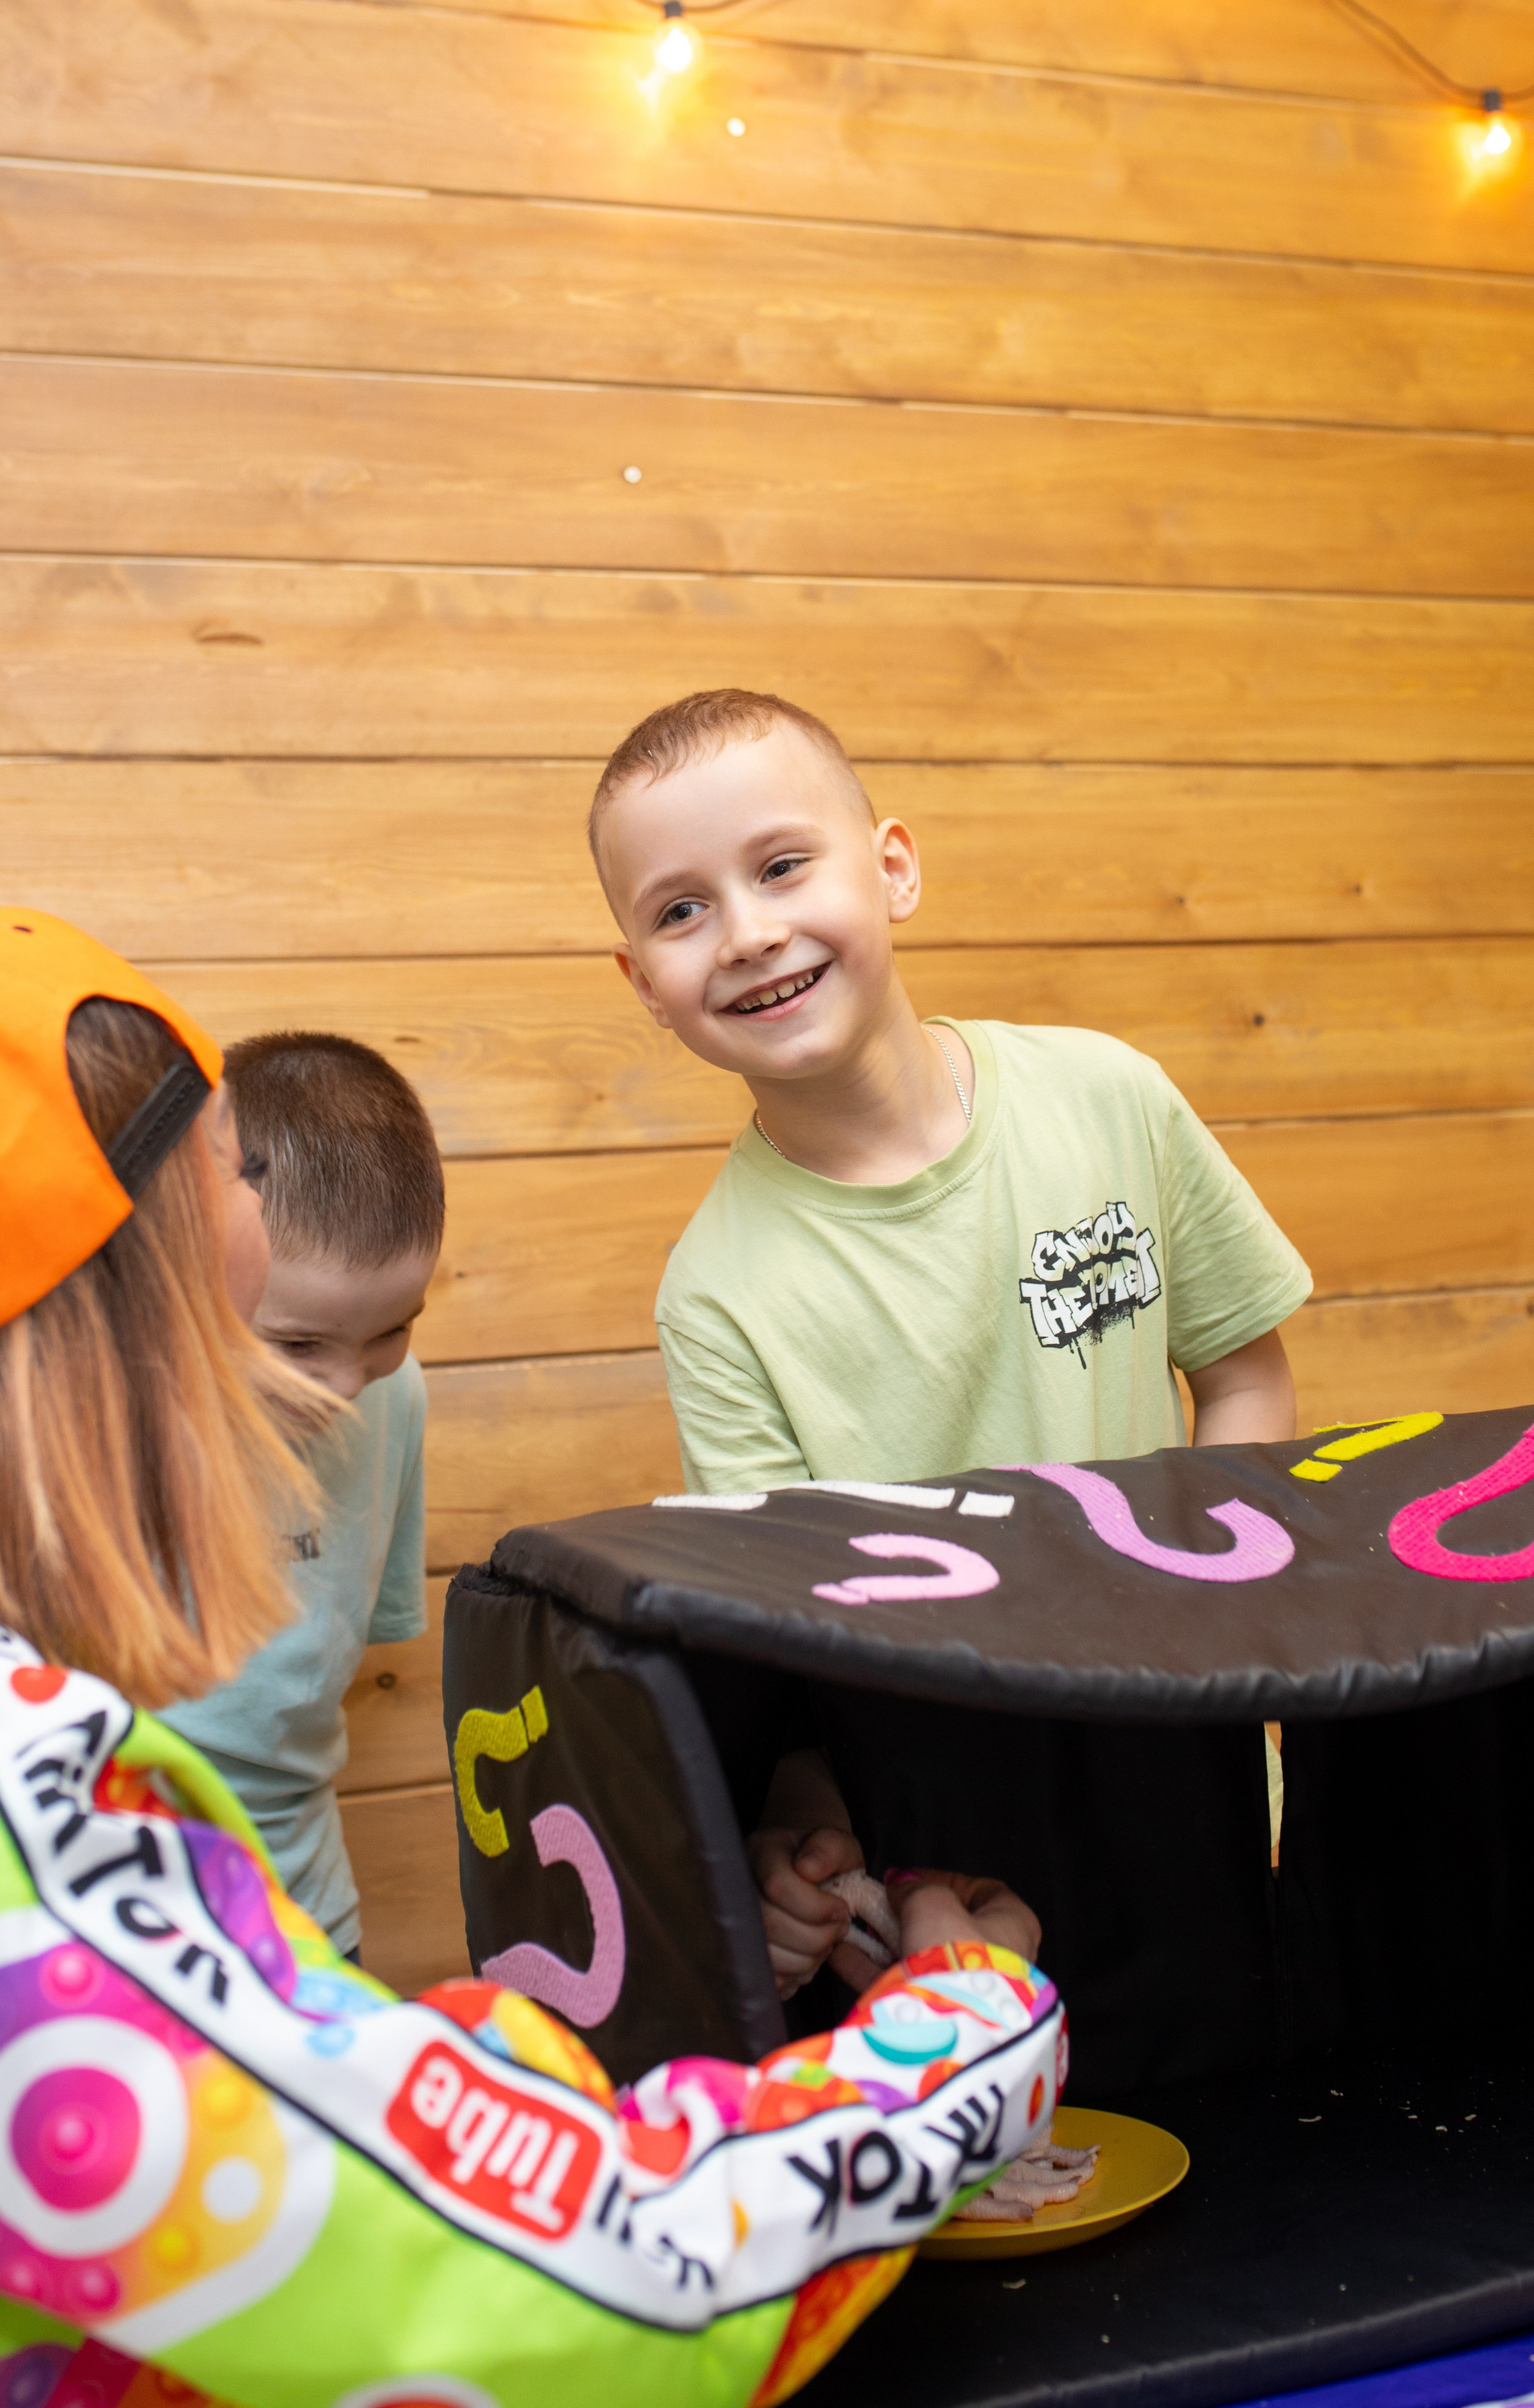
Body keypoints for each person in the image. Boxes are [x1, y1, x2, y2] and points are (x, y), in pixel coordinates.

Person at [0, 908, 1064, 2408]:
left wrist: (471, 2056)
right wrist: (972, 2014)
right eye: (226, 1331)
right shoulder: (37, 1855)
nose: (304, 1408)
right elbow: (624, 2286)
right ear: (82, 1366)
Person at [589, 688, 1313, 2001]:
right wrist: (804, 1844)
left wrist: (1192, 1623)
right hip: (947, 1857)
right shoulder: (714, 1298)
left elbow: (1245, 1374)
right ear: (643, 983)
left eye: (780, 866)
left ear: (893, 868)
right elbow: (794, 1641)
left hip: (1186, 1761)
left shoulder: (1108, 1098)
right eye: (680, 909)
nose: (747, 935)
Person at [163, 1032, 442, 1962]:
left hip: (310, 1920)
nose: (348, 1385)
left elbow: (350, 1652)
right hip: (111, 1912)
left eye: (390, 1332)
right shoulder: (103, 1413)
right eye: (296, 1347)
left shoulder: (397, 1395)